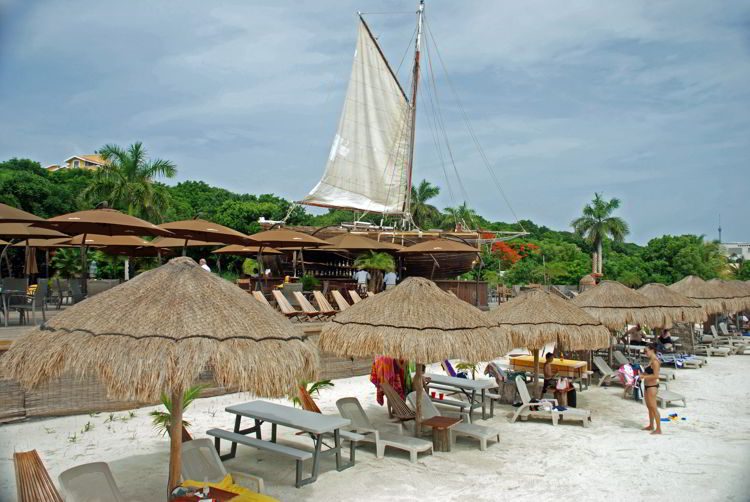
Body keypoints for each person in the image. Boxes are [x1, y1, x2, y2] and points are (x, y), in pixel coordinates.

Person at [642, 343, 662, 434]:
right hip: (647, 386)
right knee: (649, 407)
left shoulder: (655, 362)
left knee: (654, 408)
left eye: (646, 351)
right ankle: (651, 425)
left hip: (652, 386)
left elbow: (656, 375)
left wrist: (644, 377)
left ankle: (658, 429)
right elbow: (648, 373)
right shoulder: (650, 360)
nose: (645, 353)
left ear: (652, 350)